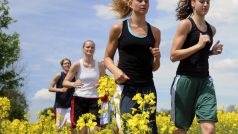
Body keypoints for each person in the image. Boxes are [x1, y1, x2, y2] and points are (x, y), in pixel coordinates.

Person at [104, 0, 161, 133]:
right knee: (127, 129)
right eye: (139, 0)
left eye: (146, 1)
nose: (143, 4)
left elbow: (154, 67)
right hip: (126, 87)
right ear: (130, 4)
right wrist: (116, 71)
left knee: (148, 130)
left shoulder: (156, 32)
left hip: (148, 88)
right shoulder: (118, 28)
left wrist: (157, 57)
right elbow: (107, 58)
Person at [170, 0, 223, 133]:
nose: (205, 5)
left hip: (205, 81)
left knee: (209, 129)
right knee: (181, 129)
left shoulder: (212, 29)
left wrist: (211, 52)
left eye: (207, 2)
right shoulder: (186, 25)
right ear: (193, 3)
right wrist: (198, 46)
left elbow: (199, 55)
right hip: (185, 80)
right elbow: (173, 56)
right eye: (201, 1)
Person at [63, 40, 105, 133]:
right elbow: (65, 82)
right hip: (79, 99)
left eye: (92, 47)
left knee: (95, 129)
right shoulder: (77, 64)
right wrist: (73, 84)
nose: (90, 49)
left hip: (95, 100)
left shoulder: (100, 65)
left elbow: (105, 82)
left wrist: (100, 85)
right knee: (82, 130)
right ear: (83, 49)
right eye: (87, 47)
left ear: (94, 49)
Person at [48, 58, 75, 129]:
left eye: (69, 63)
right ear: (62, 66)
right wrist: (61, 90)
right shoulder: (59, 75)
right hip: (59, 106)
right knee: (58, 128)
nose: (67, 65)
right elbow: (50, 88)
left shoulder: (74, 76)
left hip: (70, 106)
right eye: (65, 63)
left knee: (70, 125)